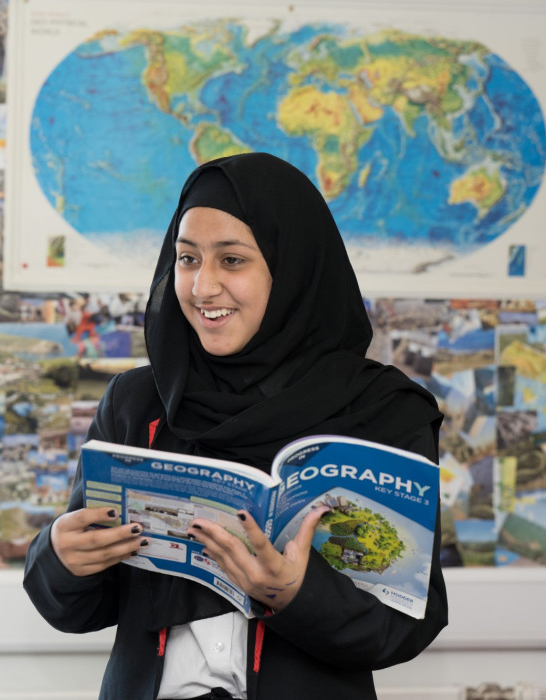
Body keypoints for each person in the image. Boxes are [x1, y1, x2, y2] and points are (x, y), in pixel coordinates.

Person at [23, 152, 448, 700]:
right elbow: (80, 608)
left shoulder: (382, 411)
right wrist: (57, 558)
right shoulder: (137, 402)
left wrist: (298, 592)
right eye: (186, 258)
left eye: (232, 260)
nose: (201, 288)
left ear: (290, 265)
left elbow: (405, 625)